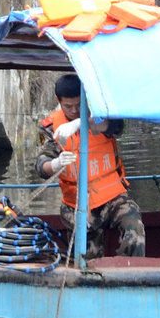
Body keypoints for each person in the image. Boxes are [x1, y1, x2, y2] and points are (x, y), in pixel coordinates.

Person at [36, 74, 145, 260]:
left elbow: (116, 127)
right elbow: (40, 166)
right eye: (68, 106)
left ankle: (129, 275)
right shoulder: (51, 127)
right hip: (77, 204)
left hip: (113, 197)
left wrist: (81, 122)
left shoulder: (99, 112)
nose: (74, 110)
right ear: (58, 101)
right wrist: (55, 164)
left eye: (79, 105)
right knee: (86, 258)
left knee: (134, 230)